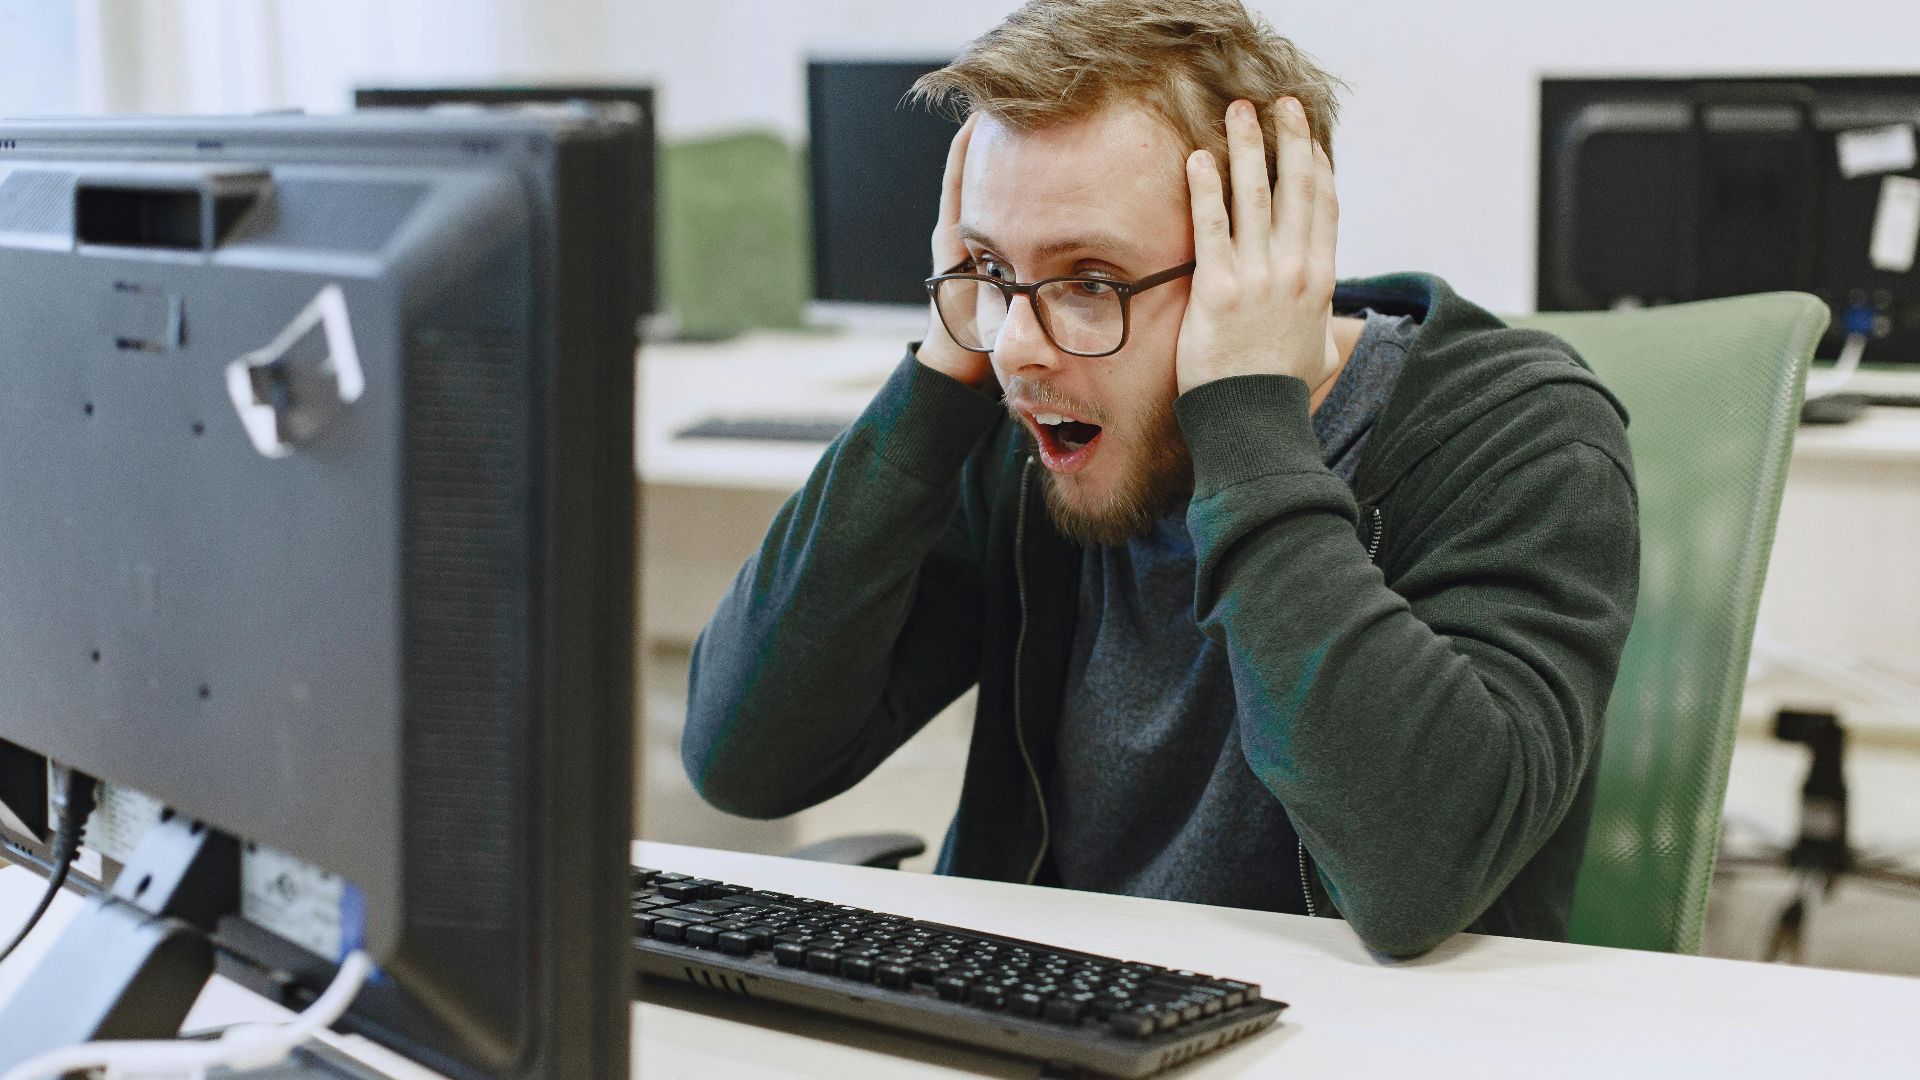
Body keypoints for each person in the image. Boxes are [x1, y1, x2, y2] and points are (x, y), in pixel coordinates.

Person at [683, 0, 1639, 958]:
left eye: (1090, 282)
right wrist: (937, 384)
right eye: (989, 269)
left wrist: (1248, 419)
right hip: (1042, 1017)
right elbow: (745, 762)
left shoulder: (1522, 435)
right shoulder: (1021, 433)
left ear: (1260, 261)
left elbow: (1418, 876)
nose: (1019, 345)